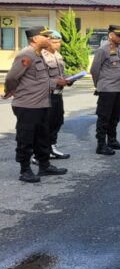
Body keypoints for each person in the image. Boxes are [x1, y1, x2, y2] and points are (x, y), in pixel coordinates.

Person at [2, 27, 66, 183]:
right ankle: (25, 170)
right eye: (46, 37)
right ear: (35, 39)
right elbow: (12, 77)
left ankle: (44, 165)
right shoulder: (26, 55)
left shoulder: (39, 55)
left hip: (42, 102)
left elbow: (38, 80)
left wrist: (55, 82)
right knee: (26, 138)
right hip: (28, 104)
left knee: (42, 136)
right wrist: (10, 90)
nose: (49, 39)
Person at [91, 25, 120, 156]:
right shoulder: (102, 50)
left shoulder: (117, 49)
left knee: (115, 116)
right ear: (111, 35)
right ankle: (101, 145)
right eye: (119, 35)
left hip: (117, 89)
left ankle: (112, 140)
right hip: (107, 89)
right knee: (104, 117)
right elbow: (94, 70)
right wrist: (99, 85)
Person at [42, 30, 74, 159]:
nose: (58, 44)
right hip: (46, 95)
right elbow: (39, 79)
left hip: (58, 94)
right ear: (47, 41)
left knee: (58, 121)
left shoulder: (58, 55)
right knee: (45, 124)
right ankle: (39, 152)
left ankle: (51, 147)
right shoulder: (41, 56)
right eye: (55, 42)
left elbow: (61, 74)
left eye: (59, 42)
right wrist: (57, 82)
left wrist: (69, 79)